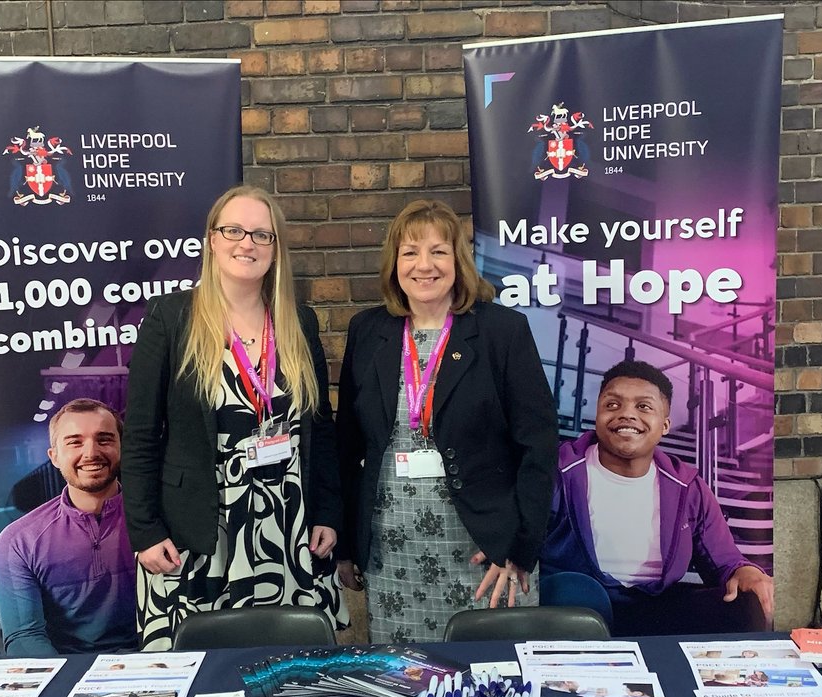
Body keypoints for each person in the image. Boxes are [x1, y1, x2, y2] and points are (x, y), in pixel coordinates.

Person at [121, 185, 343, 649]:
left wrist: (327, 511)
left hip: (288, 523)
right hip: (198, 529)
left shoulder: (297, 320)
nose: (248, 243)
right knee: (198, 672)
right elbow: (141, 433)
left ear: (276, 248)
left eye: (263, 235)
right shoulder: (171, 317)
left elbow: (320, 429)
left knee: (287, 667)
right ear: (212, 241)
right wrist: (144, 529)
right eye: (235, 231)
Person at [336, 198, 558, 641]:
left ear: (458, 261)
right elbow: (347, 444)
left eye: (438, 251)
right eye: (410, 252)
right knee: (406, 680)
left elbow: (539, 443)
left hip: (484, 549)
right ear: (394, 263)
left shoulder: (501, 331)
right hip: (392, 550)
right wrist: (347, 544)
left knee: (492, 679)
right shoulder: (368, 331)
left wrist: (519, 548)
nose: (425, 265)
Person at [542, 360, 775, 636]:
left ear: (664, 425)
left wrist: (746, 572)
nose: (626, 415)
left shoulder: (688, 487)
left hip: (656, 609)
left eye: (643, 407)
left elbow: (724, 562)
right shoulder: (557, 472)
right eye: (612, 405)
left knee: (745, 603)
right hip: (577, 610)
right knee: (576, 590)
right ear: (597, 414)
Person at [0, 398, 136, 657]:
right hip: (67, 673)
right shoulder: (18, 542)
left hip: (155, 663)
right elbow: (25, 637)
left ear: (122, 447)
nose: (91, 453)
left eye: (104, 439)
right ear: (54, 456)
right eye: (75, 442)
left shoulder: (158, 522)